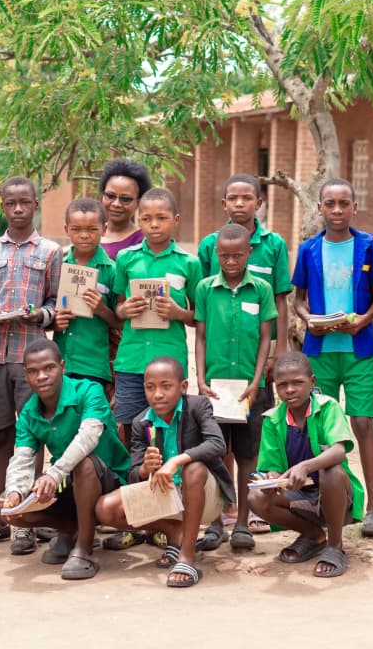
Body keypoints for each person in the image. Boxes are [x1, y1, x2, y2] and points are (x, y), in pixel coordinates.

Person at [0, 177, 62, 552]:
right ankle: (0, 515)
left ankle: (29, 515)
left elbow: (57, 304)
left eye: (25, 202)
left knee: (33, 436)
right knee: (2, 435)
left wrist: (39, 315)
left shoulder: (52, 252)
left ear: (35, 205)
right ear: (1, 208)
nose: (18, 209)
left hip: (32, 361)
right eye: (11, 203)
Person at [196, 173, 293, 539]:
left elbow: (277, 311)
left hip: (254, 377)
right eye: (232, 197)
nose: (239, 203)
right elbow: (202, 323)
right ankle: (223, 514)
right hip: (218, 379)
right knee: (220, 448)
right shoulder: (208, 258)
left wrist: (276, 357)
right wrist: (201, 375)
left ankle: (246, 517)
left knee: (251, 447)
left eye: (246, 197)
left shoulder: (271, 255)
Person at [291, 178, 373, 537]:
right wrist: (308, 320)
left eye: (343, 203)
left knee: (362, 423)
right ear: (319, 208)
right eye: (329, 204)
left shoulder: (367, 247)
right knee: (319, 428)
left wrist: (363, 320)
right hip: (320, 351)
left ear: (354, 207)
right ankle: (320, 501)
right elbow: (298, 298)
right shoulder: (309, 249)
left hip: (357, 349)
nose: (336, 210)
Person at [107, 187, 201, 551]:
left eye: (161, 218)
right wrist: (123, 311)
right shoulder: (127, 259)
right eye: (146, 218)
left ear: (176, 220)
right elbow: (116, 308)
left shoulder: (188, 263)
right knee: (131, 434)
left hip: (169, 364)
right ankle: (134, 517)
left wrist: (178, 313)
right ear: (138, 220)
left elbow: (198, 315)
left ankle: (166, 519)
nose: (153, 224)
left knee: (169, 437)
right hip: (131, 363)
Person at [95, 357, 234, 588]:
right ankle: (174, 532)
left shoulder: (199, 406)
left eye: (166, 386)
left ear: (183, 387)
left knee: (194, 469)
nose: (157, 394)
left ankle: (187, 557)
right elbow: (132, 474)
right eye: (150, 387)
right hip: (166, 496)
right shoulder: (142, 422)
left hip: (205, 497)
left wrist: (178, 460)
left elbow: (218, 444)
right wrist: (144, 469)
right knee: (105, 509)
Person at [0, 340, 130, 579]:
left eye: (49, 368)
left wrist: (54, 473)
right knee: (15, 512)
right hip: (69, 482)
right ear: (26, 375)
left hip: (110, 481)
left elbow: (88, 437)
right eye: (33, 371)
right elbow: (22, 459)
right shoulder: (29, 412)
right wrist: (14, 493)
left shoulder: (88, 391)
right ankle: (71, 531)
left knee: (84, 464)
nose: (42, 376)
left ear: (62, 367)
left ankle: (85, 548)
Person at [193, 223, 277, 551]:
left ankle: (242, 522)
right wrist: (200, 379)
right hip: (215, 388)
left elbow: (266, 338)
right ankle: (215, 523)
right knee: (216, 454)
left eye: (238, 256)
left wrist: (257, 382)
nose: (231, 262)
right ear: (216, 254)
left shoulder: (262, 290)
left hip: (249, 389)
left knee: (247, 456)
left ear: (249, 253)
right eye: (224, 256)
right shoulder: (204, 289)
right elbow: (199, 337)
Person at [251, 353, 364, 578]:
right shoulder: (273, 419)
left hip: (336, 498)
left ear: (312, 382)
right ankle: (314, 536)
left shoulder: (327, 407)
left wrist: (305, 467)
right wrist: (272, 479)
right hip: (299, 496)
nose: (290, 390)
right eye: (282, 385)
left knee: (331, 471)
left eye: (297, 383)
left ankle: (334, 545)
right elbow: (271, 465)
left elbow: (339, 450)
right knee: (256, 498)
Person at [52, 198, 120, 390]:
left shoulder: (112, 271)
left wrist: (101, 309)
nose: (84, 235)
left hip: (95, 366)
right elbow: (46, 309)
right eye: (76, 229)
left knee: (91, 417)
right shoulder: (58, 266)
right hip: (61, 361)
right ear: (66, 229)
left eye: (92, 229)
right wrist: (54, 322)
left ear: (104, 229)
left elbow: (121, 321)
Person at [99, 158, 152, 259]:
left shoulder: (144, 243)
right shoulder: (88, 233)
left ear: (139, 202)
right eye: (110, 196)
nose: (116, 204)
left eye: (125, 199)